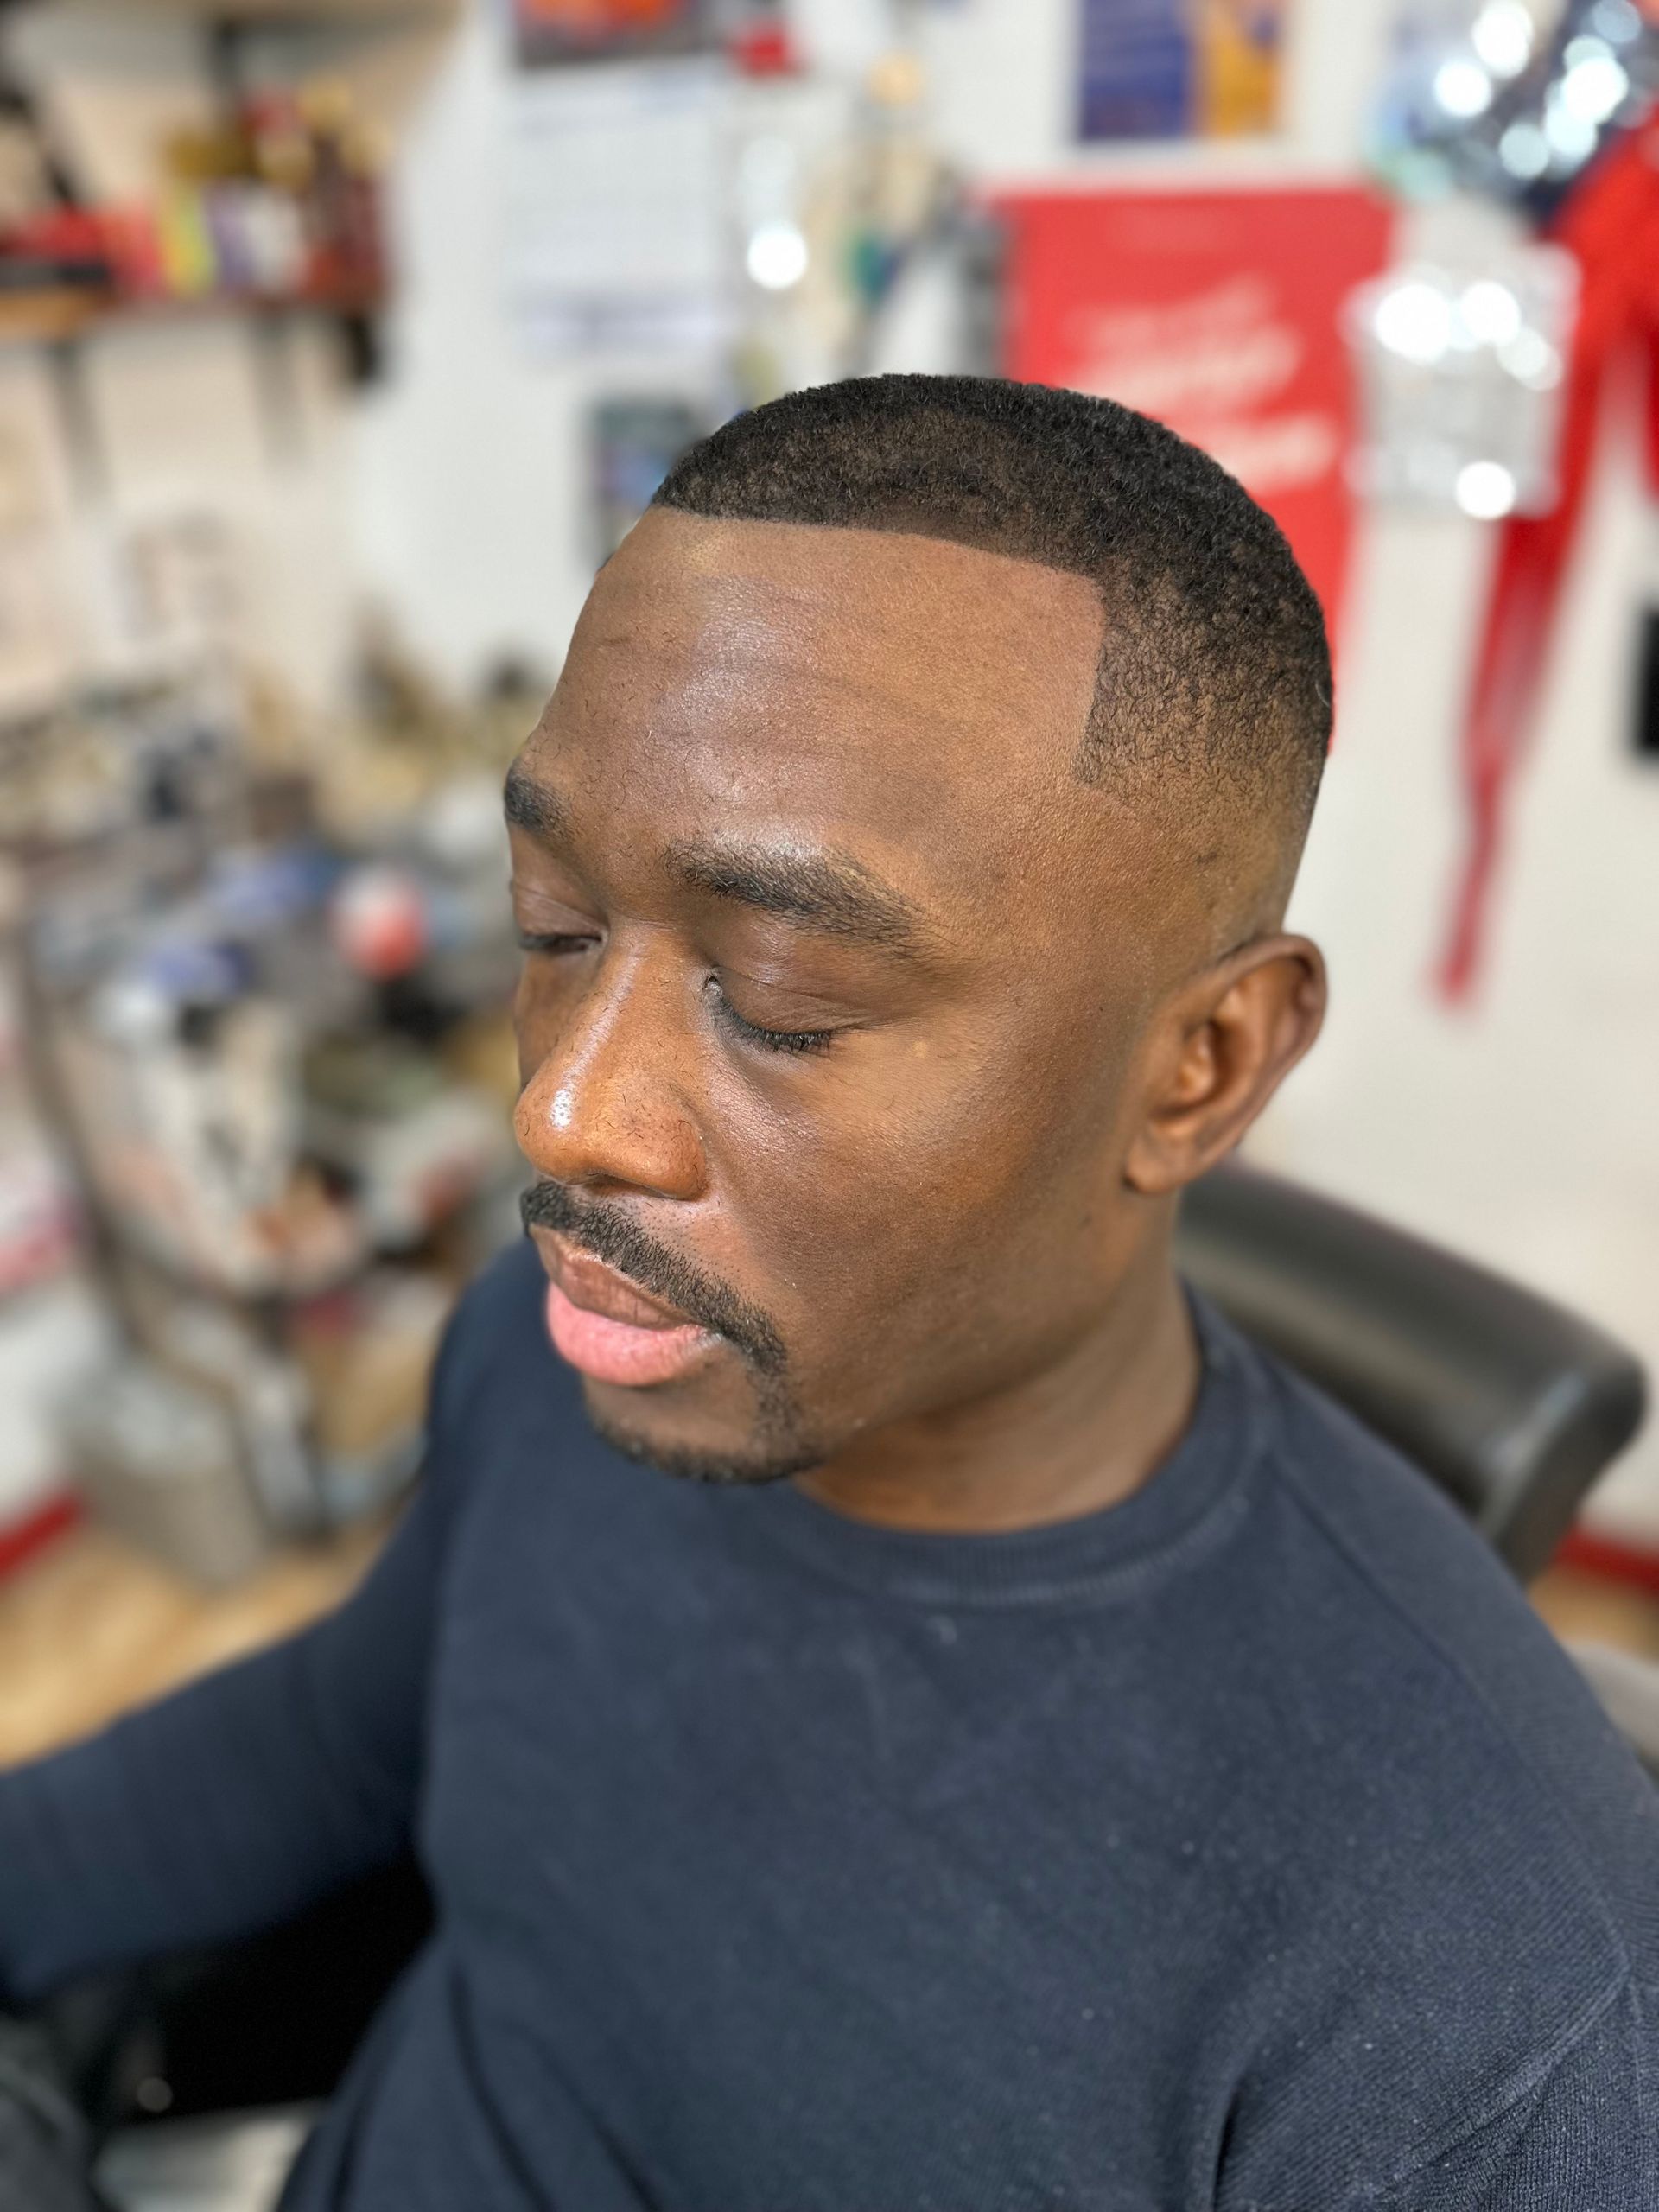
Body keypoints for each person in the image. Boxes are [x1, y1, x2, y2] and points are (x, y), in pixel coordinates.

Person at [2, 375, 1656, 2210]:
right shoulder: (556, 1358)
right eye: (555, 924)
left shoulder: (1492, 2024)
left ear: (1200, 1067)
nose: (562, 1110)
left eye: (782, 1001)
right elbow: (336, 1735)